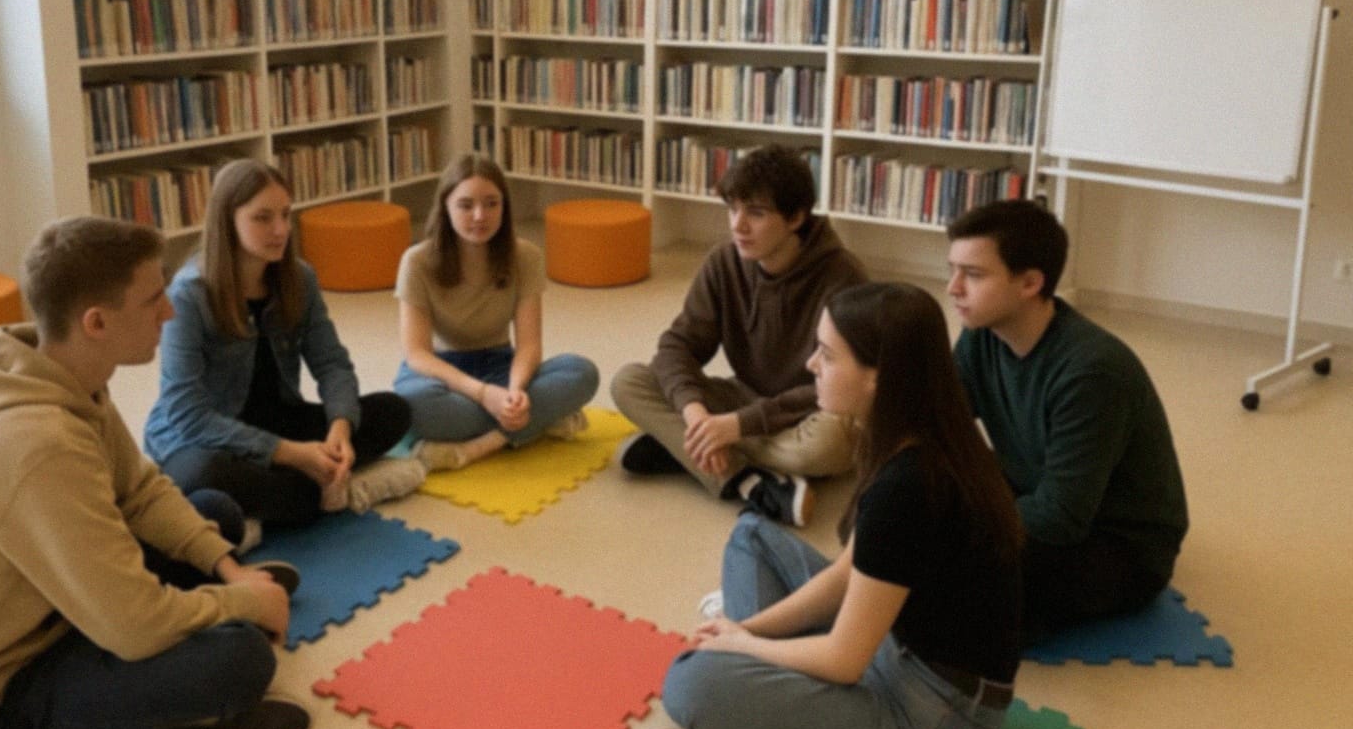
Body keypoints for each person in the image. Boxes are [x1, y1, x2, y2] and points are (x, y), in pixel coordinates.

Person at [0, 217, 308, 729]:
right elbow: (134, 626)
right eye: (153, 299)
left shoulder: (59, 374)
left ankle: (207, 609)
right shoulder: (39, 444)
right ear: (97, 322)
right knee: (241, 660)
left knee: (213, 516)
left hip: (46, 608)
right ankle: (182, 716)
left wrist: (227, 570)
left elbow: (138, 490)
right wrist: (244, 603)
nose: (170, 311)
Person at [654, 282, 1024, 729]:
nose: (811, 366)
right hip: (892, 651)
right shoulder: (913, 435)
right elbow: (847, 574)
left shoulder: (909, 484)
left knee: (688, 680)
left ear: (879, 377)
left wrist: (744, 649)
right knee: (752, 536)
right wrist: (749, 631)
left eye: (827, 355)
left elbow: (843, 659)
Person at [946, 199, 1189, 644]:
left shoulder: (1091, 372)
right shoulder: (981, 333)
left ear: (1030, 283)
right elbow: (939, 424)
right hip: (1033, 490)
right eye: (953, 270)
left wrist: (958, 528)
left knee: (950, 588)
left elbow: (1061, 518)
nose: (953, 288)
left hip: (1116, 543)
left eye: (973, 275)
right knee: (894, 511)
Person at [145, 159, 424, 526]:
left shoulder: (300, 278)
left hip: (277, 421)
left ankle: (297, 494)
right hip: (204, 438)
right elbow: (187, 415)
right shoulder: (188, 295)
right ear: (227, 221)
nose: (280, 230)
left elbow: (332, 364)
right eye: (262, 218)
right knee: (205, 474)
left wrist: (339, 429)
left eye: (285, 215)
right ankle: (321, 490)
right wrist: (290, 454)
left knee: (393, 411)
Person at [611, 144, 867, 527]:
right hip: (743, 397)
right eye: (733, 209)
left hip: (809, 413)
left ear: (796, 217)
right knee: (628, 382)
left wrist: (733, 427)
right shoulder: (724, 261)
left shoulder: (843, 277)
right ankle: (747, 479)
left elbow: (839, 385)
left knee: (830, 445)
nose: (738, 225)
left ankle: (683, 446)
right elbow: (677, 346)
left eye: (756, 213)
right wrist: (695, 413)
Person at [395, 154, 599, 470]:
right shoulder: (417, 261)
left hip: (501, 366)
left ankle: (482, 445)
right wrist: (484, 394)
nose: (480, 215)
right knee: (411, 406)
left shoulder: (526, 256)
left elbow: (530, 345)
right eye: (466, 205)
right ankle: (537, 424)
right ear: (446, 207)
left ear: (504, 206)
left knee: (582, 373)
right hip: (441, 372)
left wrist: (515, 392)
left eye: (492, 204)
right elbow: (418, 355)